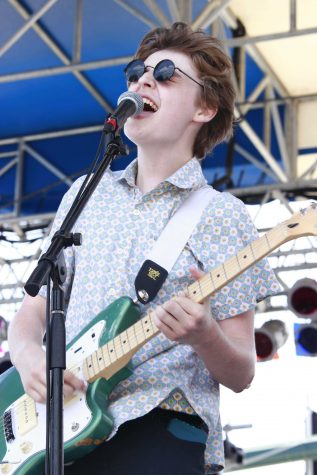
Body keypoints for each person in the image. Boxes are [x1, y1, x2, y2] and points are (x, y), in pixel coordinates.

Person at [8, 22, 280, 475]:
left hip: (158, 424)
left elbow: (242, 373)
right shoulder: (84, 194)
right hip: (61, 431)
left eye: (167, 73)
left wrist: (204, 335)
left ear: (205, 108)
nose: (143, 82)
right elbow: (30, 314)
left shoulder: (222, 215)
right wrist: (30, 359)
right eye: (136, 73)